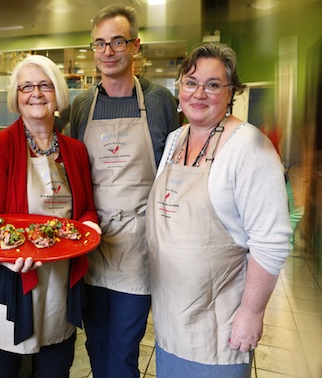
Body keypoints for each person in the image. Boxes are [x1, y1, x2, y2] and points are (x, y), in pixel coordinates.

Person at [145, 42, 292, 378]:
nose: (199, 93)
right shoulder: (174, 140)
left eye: (212, 85)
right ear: (179, 89)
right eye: (190, 82)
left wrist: (252, 313)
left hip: (218, 323)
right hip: (171, 318)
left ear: (231, 93)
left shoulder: (249, 147)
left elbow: (271, 241)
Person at [0, 54, 101, 378]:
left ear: (58, 92)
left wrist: (88, 227)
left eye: (44, 85)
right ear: (16, 96)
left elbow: (86, 209)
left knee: (56, 366)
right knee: (4, 369)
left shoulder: (75, 150)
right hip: (11, 275)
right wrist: (14, 253)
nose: (36, 93)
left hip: (60, 275)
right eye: (26, 86)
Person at [69, 5, 179, 378]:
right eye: (99, 43)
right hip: (92, 242)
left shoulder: (161, 101)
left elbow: (171, 174)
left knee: (123, 349)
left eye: (117, 41)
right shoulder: (83, 105)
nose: (108, 51)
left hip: (138, 244)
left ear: (136, 46)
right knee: (96, 342)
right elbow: (74, 172)